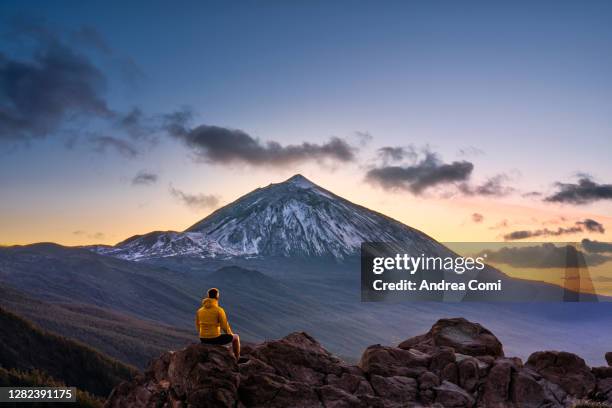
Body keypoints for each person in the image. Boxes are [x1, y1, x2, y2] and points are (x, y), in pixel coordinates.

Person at [195, 288, 240, 360]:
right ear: (217, 297)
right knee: (236, 337)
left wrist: (204, 334)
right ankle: (237, 359)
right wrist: (230, 334)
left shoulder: (199, 311)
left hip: (203, 339)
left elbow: (198, 326)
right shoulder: (219, 310)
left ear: (208, 296)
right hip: (214, 339)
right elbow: (224, 326)